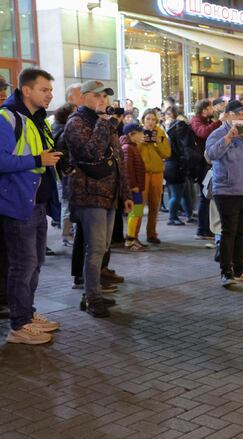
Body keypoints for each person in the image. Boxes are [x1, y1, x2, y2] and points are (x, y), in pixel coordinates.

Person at [0, 68, 63, 344]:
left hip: (37, 203)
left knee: (35, 263)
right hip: (18, 204)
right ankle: (19, 325)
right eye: (44, 90)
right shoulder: (7, 118)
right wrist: (38, 160)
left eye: (50, 90)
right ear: (27, 90)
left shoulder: (37, 118)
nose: (50, 95)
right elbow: (1, 161)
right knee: (22, 266)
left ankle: (27, 313)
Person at [63, 80, 133, 318]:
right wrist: (106, 124)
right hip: (89, 194)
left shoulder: (104, 123)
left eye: (105, 96)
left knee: (102, 248)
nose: (103, 100)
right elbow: (90, 152)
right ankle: (92, 297)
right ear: (83, 98)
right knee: (94, 249)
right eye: (97, 96)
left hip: (109, 195)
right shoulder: (76, 123)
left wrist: (125, 194)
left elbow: (117, 162)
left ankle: (93, 294)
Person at [205, 100, 243, 286]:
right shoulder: (217, 133)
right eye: (239, 114)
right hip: (226, 190)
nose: (242, 117)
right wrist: (228, 138)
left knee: (240, 232)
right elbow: (211, 154)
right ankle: (226, 272)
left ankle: (240, 268)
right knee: (228, 231)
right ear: (228, 115)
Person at [136, 109, 171, 243]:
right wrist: (140, 143)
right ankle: (134, 234)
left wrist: (156, 143)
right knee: (138, 205)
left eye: (153, 120)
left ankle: (152, 233)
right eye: (148, 119)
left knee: (155, 204)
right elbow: (130, 152)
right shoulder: (137, 132)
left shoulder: (161, 133)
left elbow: (166, 153)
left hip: (157, 173)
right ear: (143, 120)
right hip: (142, 174)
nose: (150, 122)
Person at [191, 100, 223, 240]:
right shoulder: (196, 120)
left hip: (206, 162)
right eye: (210, 107)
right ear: (204, 109)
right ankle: (202, 229)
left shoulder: (207, 119)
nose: (212, 109)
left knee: (207, 196)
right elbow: (203, 133)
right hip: (201, 164)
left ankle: (206, 228)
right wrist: (218, 122)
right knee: (205, 196)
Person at [164, 112, 197, 226]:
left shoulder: (173, 137)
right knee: (176, 195)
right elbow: (182, 153)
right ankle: (172, 218)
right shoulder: (177, 138)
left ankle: (189, 215)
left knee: (184, 194)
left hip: (176, 168)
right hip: (175, 169)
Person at [52, 102, 77, 247]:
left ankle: (68, 234)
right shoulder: (64, 132)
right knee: (67, 205)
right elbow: (64, 155)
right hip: (66, 174)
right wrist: (69, 170)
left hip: (63, 174)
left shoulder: (58, 129)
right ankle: (67, 236)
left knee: (67, 204)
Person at [121, 123, 148, 251]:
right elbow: (127, 170)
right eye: (140, 133)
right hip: (133, 188)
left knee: (136, 213)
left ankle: (132, 238)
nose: (143, 135)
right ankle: (130, 240)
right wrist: (132, 186)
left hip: (137, 187)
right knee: (134, 213)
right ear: (132, 134)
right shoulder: (127, 148)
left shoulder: (133, 147)